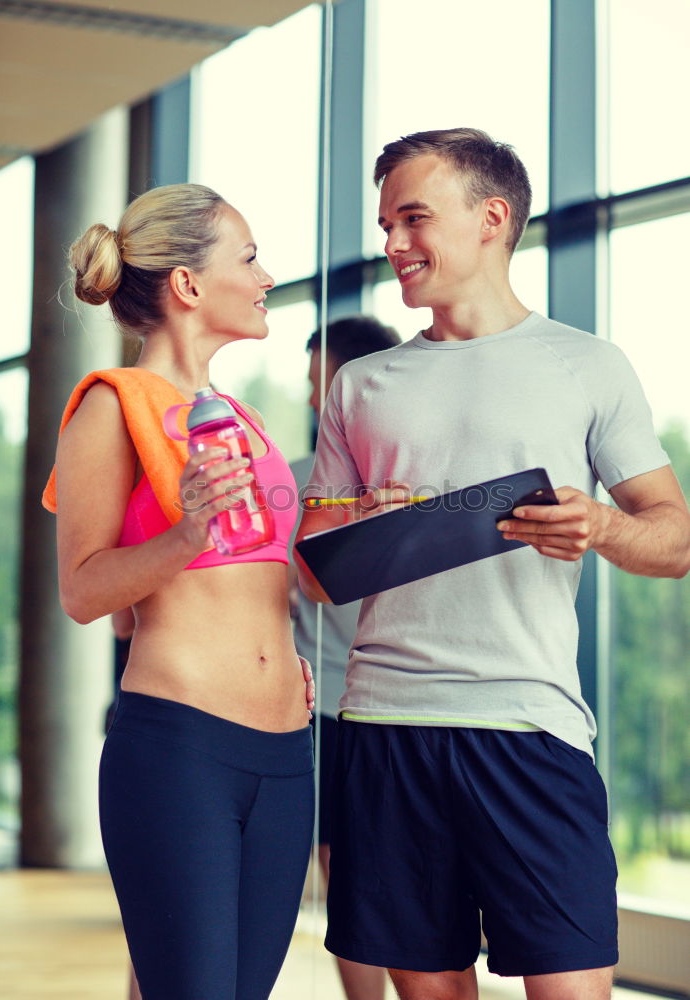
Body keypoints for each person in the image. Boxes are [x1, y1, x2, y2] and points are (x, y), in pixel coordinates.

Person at [295, 128, 690, 1000]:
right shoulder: (361, 386)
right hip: (386, 727)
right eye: (385, 223)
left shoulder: (586, 365)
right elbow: (315, 570)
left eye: (412, 219)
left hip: (529, 727)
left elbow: (674, 539)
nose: (392, 244)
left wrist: (598, 526)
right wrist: (356, 517)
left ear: (490, 218)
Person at [42, 183, 316, 1000]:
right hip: (182, 751)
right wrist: (186, 534)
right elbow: (85, 593)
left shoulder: (242, 418)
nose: (266, 275)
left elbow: (272, 579)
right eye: (249, 256)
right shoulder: (109, 406)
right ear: (189, 285)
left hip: (284, 755)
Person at [289, 316, 400, 1000]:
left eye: (317, 385)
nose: (310, 402)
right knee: (355, 875)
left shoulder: (302, 481)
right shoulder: (298, 482)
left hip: (380, 711)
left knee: (355, 877)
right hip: (319, 710)